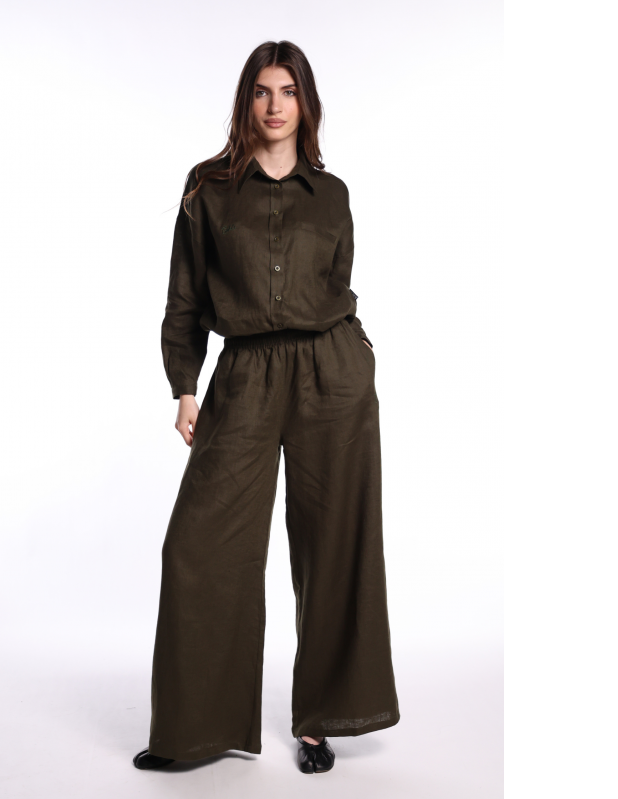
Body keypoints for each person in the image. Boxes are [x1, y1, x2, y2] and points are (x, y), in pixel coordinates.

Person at [133, 40, 400, 775]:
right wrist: (185, 385)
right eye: (261, 91)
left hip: (331, 373)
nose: (275, 105)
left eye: (288, 91)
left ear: (306, 103)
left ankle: (321, 721)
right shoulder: (208, 188)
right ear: (245, 101)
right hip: (245, 372)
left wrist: (356, 359)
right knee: (199, 546)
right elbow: (185, 294)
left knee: (334, 544)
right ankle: (198, 728)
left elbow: (338, 284)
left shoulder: (332, 193)